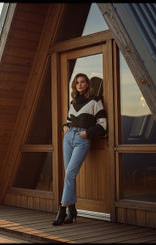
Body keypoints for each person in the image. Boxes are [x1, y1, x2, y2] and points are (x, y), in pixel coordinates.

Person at [52, 73, 107, 226]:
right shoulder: (73, 102)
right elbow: (70, 121)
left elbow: (102, 125)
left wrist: (87, 133)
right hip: (68, 138)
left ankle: (62, 210)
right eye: (77, 83)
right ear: (74, 86)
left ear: (88, 84)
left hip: (82, 139)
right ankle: (72, 209)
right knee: (70, 175)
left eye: (83, 82)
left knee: (70, 174)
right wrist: (64, 126)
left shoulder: (96, 101)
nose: (80, 85)